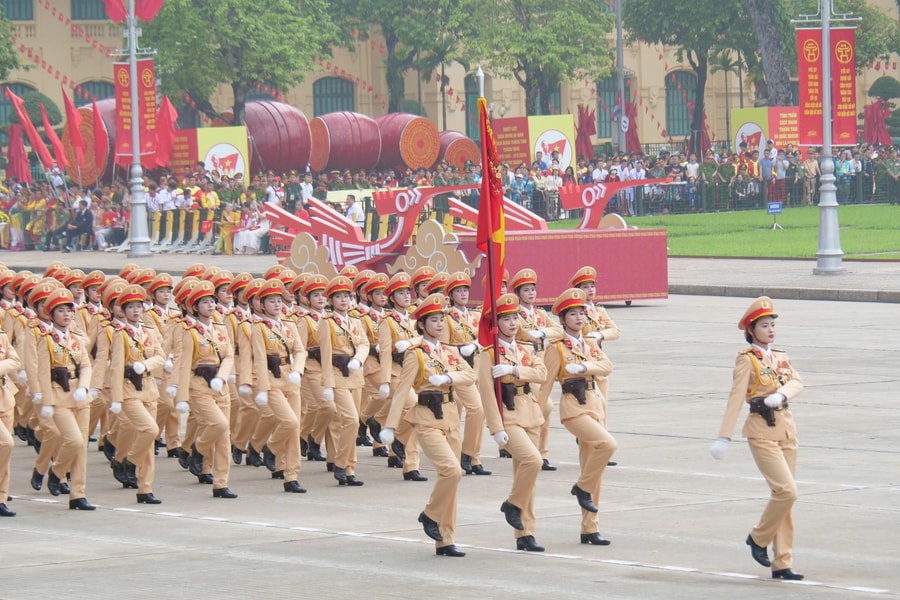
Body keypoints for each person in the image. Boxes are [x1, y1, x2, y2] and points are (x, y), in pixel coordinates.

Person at [710, 297, 805, 581]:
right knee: (787, 492)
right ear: (752, 330)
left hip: (787, 429)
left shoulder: (781, 356)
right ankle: (758, 538)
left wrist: (781, 395)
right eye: (765, 325)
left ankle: (783, 562)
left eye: (773, 324)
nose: (771, 329)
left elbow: (797, 381)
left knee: (784, 499)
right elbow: (736, 397)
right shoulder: (747, 360)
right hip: (761, 431)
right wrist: (723, 436)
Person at [381, 293, 476, 557]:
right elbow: (402, 391)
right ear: (421, 324)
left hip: (451, 419)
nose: (439, 325)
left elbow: (469, 375)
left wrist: (447, 376)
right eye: (433, 320)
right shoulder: (416, 355)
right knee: (452, 471)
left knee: (452, 481)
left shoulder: (450, 351)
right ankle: (430, 514)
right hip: (426, 420)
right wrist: (390, 426)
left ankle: (445, 540)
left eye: (441, 320)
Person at [540, 288, 616, 545]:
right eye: (573, 314)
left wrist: (584, 366)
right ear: (562, 319)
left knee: (593, 471)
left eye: (582, 313)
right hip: (574, 408)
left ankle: (589, 528)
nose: (579, 318)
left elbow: (607, 367)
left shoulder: (591, 344)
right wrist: (536, 418)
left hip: (596, 405)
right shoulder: (557, 349)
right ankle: (581, 487)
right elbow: (545, 385)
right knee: (608, 445)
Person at [478, 293, 548, 552]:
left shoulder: (525, 349)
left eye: (514, 318)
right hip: (508, 417)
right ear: (496, 325)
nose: (512, 324)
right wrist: (495, 428)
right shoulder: (488, 354)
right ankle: (511, 504)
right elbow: (486, 392)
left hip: (531, 414)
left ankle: (525, 533)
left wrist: (515, 370)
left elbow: (542, 373)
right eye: (505, 319)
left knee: (526, 476)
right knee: (534, 461)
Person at [175, 280, 238, 499]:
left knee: (223, 437)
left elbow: (229, 355)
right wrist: (181, 396)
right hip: (198, 386)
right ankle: (198, 448)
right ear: (194, 306)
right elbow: (183, 365)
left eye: (212, 301)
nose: (210, 306)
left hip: (220, 388)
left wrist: (221, 378)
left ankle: (221, 483)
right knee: (218, 425)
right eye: (204, 302)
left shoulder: (220, 328)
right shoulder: (190, 332)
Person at [35, 288, 95, 510]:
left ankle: (78, 494)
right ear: (51, 315)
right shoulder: (47, 340)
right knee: (74, 440)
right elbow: (42, 372)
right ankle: (57, 471)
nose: (67, 315)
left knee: (81, 449)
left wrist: (84, 386)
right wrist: (47, 402)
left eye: (69, 310)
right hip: (59, 397)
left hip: (79, 396)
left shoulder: (78, 338)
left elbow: (87, 365)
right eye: (61, 311)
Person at [108, 284, 165, 504]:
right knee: (150, 429)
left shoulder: (149, 331)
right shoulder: (120, 334)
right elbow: (115, 368)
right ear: (123, 310)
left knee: (149, 443)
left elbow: (160, 356)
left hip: (149, 389)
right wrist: (116, 399)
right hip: (129, 391)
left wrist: (145, 364)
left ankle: (144, 489)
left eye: (138, 306)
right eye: (130, 307)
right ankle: (128, 461)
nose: (135, 311)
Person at [318, 276, 370, 486]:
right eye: (338, 297)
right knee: (351, 420)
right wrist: (328, 384)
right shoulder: (327, 323)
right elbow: (325, 353)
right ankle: (340, 463)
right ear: (331, 300)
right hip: (337, 377)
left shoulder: (356, 321)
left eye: (346, 297)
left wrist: (358, 359)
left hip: (355, 377)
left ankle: (349, 469)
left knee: (352, 423)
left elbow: (365, 343)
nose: (343, 301)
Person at [0, 317, 22, 516]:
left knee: (5, 454)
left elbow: (15, 360)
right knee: (6, 444)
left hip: (4, 397)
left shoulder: (1, 336)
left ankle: (1, 498)